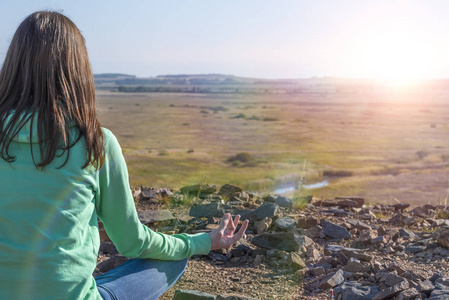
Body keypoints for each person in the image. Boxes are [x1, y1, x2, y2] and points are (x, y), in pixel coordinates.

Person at [0, 11, 248, 300]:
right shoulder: (96, 143)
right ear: (77, 71)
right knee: (172, 257)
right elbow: (133, 243)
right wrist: (202, 241)